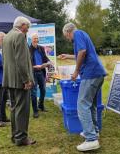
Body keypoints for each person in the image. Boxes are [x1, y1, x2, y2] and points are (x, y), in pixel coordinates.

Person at [58, 23, 106, 152]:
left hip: (90, 74)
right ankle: (94, 131)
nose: (68, 39)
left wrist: (76, 72)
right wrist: (67, 56)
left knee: (82, 104)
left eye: (66, 36)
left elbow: (82, 52)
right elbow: (82, 53)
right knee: (92, 105)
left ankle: (91, 139)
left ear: (68, 32)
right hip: (98, 73)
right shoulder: (83, 34)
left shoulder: (77, 34)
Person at [2, 16, 36, 146]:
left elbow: (5, 59)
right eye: (27, 27)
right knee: (22, 110)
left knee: (14, 108)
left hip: (10, 79)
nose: (28, 30)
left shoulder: (7, 36)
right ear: (22, 25)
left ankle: (15, 135)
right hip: (20, 80)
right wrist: (26, 80)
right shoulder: (20, 36)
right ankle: (21, 138)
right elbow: (21, 61)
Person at [29, 33, 51, 118]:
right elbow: (27, 63)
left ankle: (41, 105)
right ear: (31, 39)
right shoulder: (28, 49)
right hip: (33, 73)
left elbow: (45, 58)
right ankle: (35, 111)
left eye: (37, 38)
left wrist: (48, 63)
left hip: (41, 72)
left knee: (43, 90)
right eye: (34, 38)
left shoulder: (41, 48)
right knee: (33, 93)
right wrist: (34, 66)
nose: (36, 40)